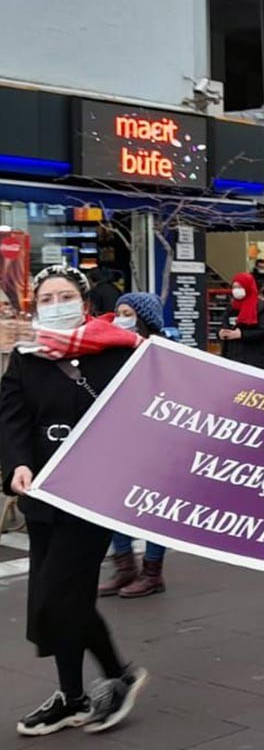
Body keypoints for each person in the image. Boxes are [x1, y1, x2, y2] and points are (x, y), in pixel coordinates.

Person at [0, 266, 148, 736]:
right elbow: (12, 415)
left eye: (66, 295)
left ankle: (119, 676)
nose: (56, 303)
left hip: (92, 495)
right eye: (47, 297)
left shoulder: (120, 351)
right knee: (61, 602)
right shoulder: (27, 355)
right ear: (36, 305)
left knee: (57, 599)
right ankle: (72, 697)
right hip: (42, 493)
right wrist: (16, 466)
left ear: (84, 302)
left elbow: (146, 412)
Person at [99, 293, 170, 599]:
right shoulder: (111, 348)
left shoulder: (163, 352)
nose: (120, 318)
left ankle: (152, 572)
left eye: (127, 312)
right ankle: (124, 565)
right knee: (115, 503)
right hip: (118, 436)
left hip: (154, 441)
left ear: (143, 318)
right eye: (118, 312)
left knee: (153, 507)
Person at [219, 273, 264, 370]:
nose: (236, 290)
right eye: (234, 287)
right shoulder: (231, 308)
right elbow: (223, 324)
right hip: (232, 357)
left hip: (253, 359)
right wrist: (220, 333)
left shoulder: (260, 307)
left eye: (240, 287)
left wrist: (242, 334)